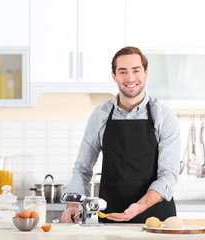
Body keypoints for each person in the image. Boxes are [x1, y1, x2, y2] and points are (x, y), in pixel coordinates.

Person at [61, 46, 181, 223]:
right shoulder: (99, 116)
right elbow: (82, 168)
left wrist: (140, 206)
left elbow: (168, 174)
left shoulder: (164, 116)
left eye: (136, 70)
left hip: (157, 220)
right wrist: (72, 205)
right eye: (123, 72)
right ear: (114, 76)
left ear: (146, 73)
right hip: (111, 216)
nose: (130, 78)